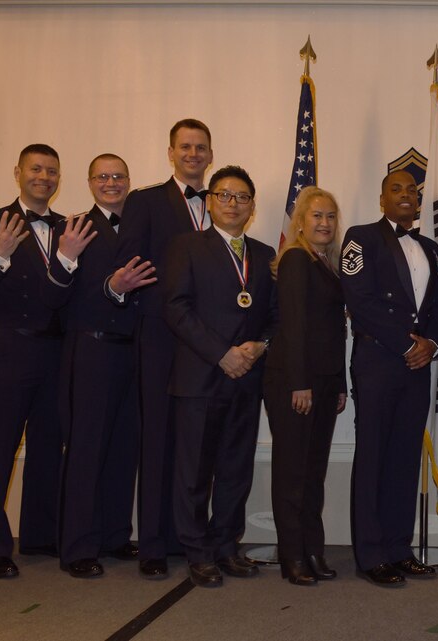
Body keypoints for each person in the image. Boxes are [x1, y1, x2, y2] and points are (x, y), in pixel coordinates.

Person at [109, 118, 214, 579]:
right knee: (156, 442)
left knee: (196, 446)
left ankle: (184, 537)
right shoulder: (145, 201)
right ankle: (152, 544)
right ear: (170, 152)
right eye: (185, 147)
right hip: (159, 341)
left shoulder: (223, 202)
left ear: (210, 154)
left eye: (201, 147)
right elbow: (128, 265)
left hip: (208, 345)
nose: (193, 154)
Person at [163, 165, 277, 588]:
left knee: (235, 470)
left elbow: (275, 316)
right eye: (225, 195)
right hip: (199, 378)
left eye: (242, 197)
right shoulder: (186, 247)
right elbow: (176, 309)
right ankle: (198, 552)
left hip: (247, 379)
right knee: (193, 472)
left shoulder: (266, 255)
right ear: (210, 202)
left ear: (252, 206)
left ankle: (227, 545)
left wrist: (259, 346)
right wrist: (221, 354)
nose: (233, 203)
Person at [0, 144, 67, 577]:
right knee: (0, 446)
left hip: (56, 352)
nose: (44, 176)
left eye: (52, 171)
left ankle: (41, 536)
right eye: (36, 169)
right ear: (18, 172)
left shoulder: (69, 226)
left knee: (47, 447)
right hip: (10, 349)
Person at [44, 154, 148, 578]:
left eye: (118, 176)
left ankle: (114, 535)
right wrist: (99, 279)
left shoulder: (142, 226)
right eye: (103, 176)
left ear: (128, 180)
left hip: (134, 351)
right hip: (91, 349)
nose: (111, 183)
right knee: (86, 448)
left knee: (125, 447)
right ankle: (78, 547)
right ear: (89, 183)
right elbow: (57, 298)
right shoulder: (75, 228)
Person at [340, 170, 438, 587]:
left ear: (418, 202)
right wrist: (406, 344)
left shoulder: (431, 248)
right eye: (395, 189)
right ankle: (370, 554)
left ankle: (400, 549)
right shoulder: (360, 237)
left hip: (418, 366)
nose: (405, 195)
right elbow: (359, 302)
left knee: (405, 458)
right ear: (381, 198)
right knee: (373, 459)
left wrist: (432, 345)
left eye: (411, 191)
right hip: (379, 362)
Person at [262, 187, 347, 586]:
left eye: (330, 216)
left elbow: (334, 330)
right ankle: (292, 555)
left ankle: (313, 549)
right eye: (316, 216)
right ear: (300, 221)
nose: (325, 223)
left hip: (325, 382)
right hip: (296, 383)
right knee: (293, 473)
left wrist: (340, 383)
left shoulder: (326, 264)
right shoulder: (295, 259)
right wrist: (300, 383)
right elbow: (293, 324)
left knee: (313, 474)